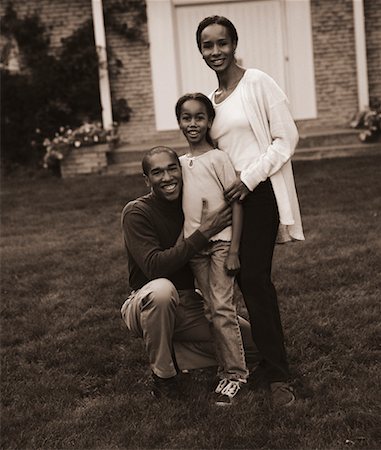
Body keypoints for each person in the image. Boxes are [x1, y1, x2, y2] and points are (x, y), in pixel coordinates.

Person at [196, 15, 305, 407]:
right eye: (207, 45)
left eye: (221, 43)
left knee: (256, 281)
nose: (215, 52)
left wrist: (250, 178)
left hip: (258, 195)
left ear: (234, 43)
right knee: (239, 283)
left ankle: (280, 378)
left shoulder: (258, 82)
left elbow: (286, 137)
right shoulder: (214, 101)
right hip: (230, 201)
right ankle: (262, 358)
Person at [120, 146, 258, 401]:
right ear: (147, 179)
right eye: (157, 172)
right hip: (146, 301)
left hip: (186, 303)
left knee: (250, 344)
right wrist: (203, 233)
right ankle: (164, 378)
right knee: (162, 290)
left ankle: (177, 352)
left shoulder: (189, 205)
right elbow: (154, 266)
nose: (167, 178)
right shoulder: (136, 212)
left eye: (172, 169)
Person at [175, 92, 248, 405]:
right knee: (210, 309)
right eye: (186, 117)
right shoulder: (178, 164)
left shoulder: (219, 159)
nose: (193, 123)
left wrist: (234, 250)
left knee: (221, 307)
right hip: (195, 249)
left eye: (199, 117)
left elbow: (237, 204)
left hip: (220, 245)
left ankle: (235, 375)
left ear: (209, 122)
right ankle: (226, 365)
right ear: (179, 122)